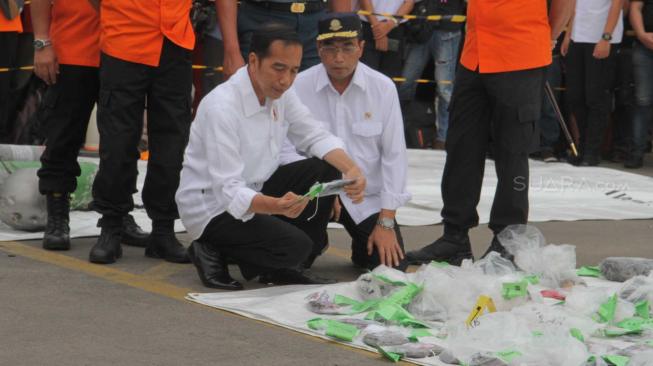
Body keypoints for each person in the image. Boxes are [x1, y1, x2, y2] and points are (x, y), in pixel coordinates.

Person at [176, 23, 367, 290]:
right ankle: (211, 246)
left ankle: (285, 267)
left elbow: (314, 135)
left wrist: (352, 169)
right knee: (296, 246)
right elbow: (229, 191)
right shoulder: (221, 107)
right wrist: (276, 206)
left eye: (294, 71)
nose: (286, 80)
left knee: (326, 168)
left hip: (257, 187)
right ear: (253, 61)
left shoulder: (281, 94)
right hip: (213, 207)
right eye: (279, 68)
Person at [406, 0, 574, 265]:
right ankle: (454, 236)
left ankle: (509, 241)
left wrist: (545, 39)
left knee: (512, 152)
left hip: (520, 54)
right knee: (461, 147)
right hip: (475, 55)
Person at [281, 13, 410, 270]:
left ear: (361, 48)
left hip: (366, 198)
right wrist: (326, 191)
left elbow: (395, 156)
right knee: (291, 263)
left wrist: (386, 221)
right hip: (313, 195)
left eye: (347, 48)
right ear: (318, 49)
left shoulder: (382, 88)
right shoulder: (297, 87)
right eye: (330, 48)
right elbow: (283, 150)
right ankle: (315, 241)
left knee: (390, 268)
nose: (338, 58)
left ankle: (361, 247)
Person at [31, 0, 149, 251]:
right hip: (73, 48)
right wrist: (42, 41)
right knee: (63, 136)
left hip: (124, 50)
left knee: (122, 142)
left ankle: (117, 214)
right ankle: (57, 215)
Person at [88, 0, 195, 264]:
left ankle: (163, 231)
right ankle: (112, 225)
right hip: (124, 40)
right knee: (117, 141)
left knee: (172, 144)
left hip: (175, 42)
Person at [216, 0, 351, 79]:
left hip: (315, 23)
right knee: (255, 101)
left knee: (315, 105)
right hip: (263, 17)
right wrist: (231, 51)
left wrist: (344, 38)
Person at [562, 0, 625, 166]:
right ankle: (583, 147)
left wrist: (606, 38)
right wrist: (568, 34)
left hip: (601, 37)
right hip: (578, 36)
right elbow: (573, 5)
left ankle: (592, 151)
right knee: (575, 96)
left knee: (595, 97)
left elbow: (617, 5)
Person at [398, 0, 465, 149]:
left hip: (448, 30)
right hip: (421, 28)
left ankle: (443, 138)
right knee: (405, 83)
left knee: (444, 88)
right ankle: (399, 131)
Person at [354, 0, 414, 78]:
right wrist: (378, 28)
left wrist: (390, 24)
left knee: (391, 76)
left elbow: (409, 3)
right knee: (367, 74)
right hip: (368, 26)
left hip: (395, 29)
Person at [627, 0, 653, 168]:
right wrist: (642, 35)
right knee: (642, 101)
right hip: (645, 46)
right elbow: (635, 7)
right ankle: (636, 153)